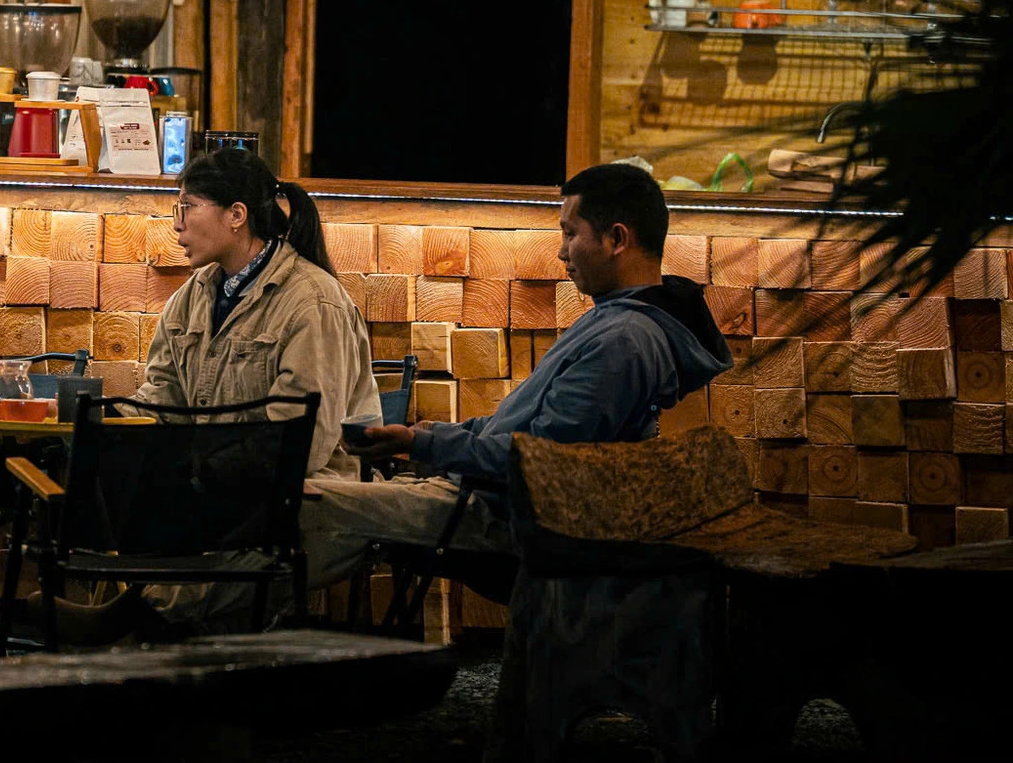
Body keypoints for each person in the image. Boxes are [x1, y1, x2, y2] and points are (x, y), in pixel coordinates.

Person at [304, 161, 734, 587]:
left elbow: (539, 463)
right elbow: (524, 434)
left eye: (570, 233)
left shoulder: (622, 340)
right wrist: (430, 435)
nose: (562, 251)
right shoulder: (616, 318)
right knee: (305, 492)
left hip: (503, 519)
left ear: (617, 238)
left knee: (294, 504)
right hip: (482, 495)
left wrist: (425, 443)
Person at [52, 148, 382, 639]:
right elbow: (162, 396)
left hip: (304, 492)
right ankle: (151, 633)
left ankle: (130, 623)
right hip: (216, 487)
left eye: (186, 207)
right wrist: (97, 426)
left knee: (237, 524)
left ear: (236, 215)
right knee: (95, 471)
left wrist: (207, 473)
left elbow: (302, 440)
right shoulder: (194, 295)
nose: (176, 225)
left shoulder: (312, 301)